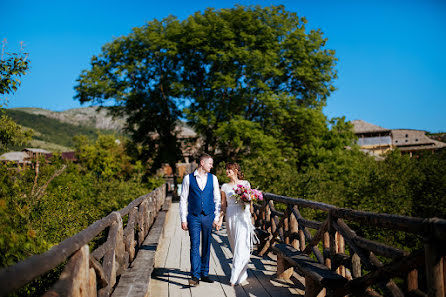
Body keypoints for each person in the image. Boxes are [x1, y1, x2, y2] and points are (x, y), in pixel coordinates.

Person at [179, 153, 222, 286]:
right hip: (193, 217)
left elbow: (217, 199)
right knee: (194, 246)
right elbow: (183, 199)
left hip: (208, 216)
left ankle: (204, 273)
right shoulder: (188, 179)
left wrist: (216, 217)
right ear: (202, 163)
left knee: (206, 245)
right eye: (210, 163)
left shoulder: (213, 178)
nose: (212, 166)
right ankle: (195, 276)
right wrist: (183, 219)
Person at [218, 162, 257, 286]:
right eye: (226, 169)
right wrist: (220, 219)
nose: (226, 172)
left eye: (229, 169)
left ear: (235, 170)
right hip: (230, 215)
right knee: (235, 246)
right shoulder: (224, 186)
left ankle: (234, 276)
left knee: (242, 245)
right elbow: (223, 204)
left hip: (243, 215)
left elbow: (250, 202)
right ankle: (242, 275)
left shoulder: (245, 184)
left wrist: (247, 199)